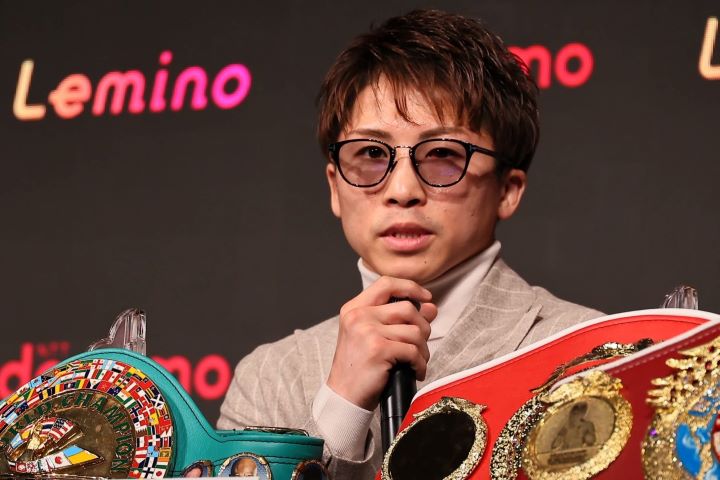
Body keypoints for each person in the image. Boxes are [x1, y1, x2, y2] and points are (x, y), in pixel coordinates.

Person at [218, 9, 602, 479]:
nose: (402, 190)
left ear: (508, 189)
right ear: (335, 186)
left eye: (442, 155)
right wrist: (340, 411)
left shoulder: (590, 353)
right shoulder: (269, 377)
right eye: (371, 153)